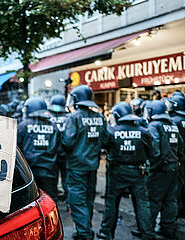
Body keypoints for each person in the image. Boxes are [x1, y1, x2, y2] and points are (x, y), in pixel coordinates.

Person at [97, 102, 155, 240]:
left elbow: (103, 144)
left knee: (112, 203)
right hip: (138, 172)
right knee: (142, 204)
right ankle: (148, 234)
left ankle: (106, 233)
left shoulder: (112, 130)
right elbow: (152, 151)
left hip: (117, 172)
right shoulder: (143, 131)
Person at [62, 85, 107, 240]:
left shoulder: (73, 117)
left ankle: (84, 233)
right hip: (92, 165)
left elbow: (67, 142)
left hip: (76, 166)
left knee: (76, 200)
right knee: (88, 198)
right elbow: (105, 141)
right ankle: (85, 227)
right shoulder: (100, 117)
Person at [146, 100, 184, 239]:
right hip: (174, 167)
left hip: (160, 169)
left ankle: (147, 230)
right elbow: (181, 146)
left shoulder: (154, 125)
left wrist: (153, 166)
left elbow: (154, 149)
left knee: (154, 200)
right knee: (170, 199)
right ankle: (168, 228)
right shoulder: (172, 125)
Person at [17, 97, 61, 200]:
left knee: (31, 203)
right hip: (50, 172)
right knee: (49, 201)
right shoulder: (54, 127)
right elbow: (58, 149)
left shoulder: (23, 125)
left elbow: (17, 148)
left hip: (29, 174)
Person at [168, 93, 185, 218]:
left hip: (179, 157)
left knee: (176, 187)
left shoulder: (175, 121)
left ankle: (175, 213)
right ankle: (183, 211)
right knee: (183, 185)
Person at [48, 94, 68, 200]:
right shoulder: (68, 117)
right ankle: (67, 197)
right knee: (66, 176)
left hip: (53, 152)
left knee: (53, 176)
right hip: (65, 152)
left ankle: (54, 196)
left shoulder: (48, 117)